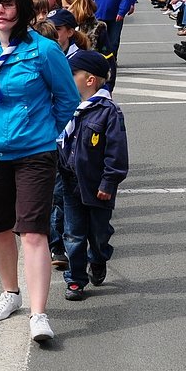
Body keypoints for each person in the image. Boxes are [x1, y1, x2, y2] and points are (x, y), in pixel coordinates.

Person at [0, 0, 79, 342]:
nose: (1, 11)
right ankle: (10, 293)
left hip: (34, 153)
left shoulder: (44, 51)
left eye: (9, 4)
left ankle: (38, 313)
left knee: (33, 232)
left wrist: (45, 131)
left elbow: (66, 99)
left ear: (22, 9)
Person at [58, 50, 129, 301]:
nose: (67, 79)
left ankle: (98, 257)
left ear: (90, 80)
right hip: (70, 182)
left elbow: (117, 152)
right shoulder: (67, 106)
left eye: (72, 74)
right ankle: (76, 279)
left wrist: (109, 181)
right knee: (73, 233)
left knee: (98, 233)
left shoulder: (109, 111)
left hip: (98, 184)